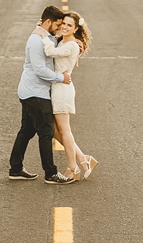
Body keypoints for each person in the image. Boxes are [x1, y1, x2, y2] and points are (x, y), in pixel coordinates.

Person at [8, 6, 75, 185]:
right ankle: (51, 173)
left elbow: (54, 43)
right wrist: (62, 78)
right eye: (57, 24)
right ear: (48, 22)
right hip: (36, 93)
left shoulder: (42, 36)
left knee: (27, 130)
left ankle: (15, 169)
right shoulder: (37, 41)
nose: (59, 28)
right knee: (46, 132)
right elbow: (40, 70)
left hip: (30, 91)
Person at [42, 12, 97, 181]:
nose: (64, 27)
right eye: (63, 24)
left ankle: (72, 168)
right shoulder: (63, 41)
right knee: (54, 129)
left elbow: (50, 51)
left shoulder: (72, 45)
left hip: (62, 90)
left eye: (69, 25)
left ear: (76, 28)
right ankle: (83, 158)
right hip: (57, 87)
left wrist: (41, 33)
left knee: (64, 130)